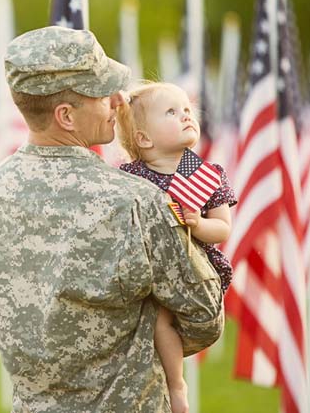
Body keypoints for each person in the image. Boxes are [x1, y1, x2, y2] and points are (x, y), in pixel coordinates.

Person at [0, 26, 224, 412]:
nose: (118, 100)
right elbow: (204, 315)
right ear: (65, 115)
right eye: (102, 94)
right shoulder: (136, 201)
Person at [116, 82, 237, 413]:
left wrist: (197, 223)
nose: (186, 115)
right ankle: (172, 383)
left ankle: (176, 385)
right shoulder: (131, 178)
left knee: (163, 312)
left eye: (187, 108)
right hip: (147, 266)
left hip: (192, 267)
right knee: (154, 316)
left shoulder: (207, 175)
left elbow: (222, 229)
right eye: (171, 111)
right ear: (144, 139)